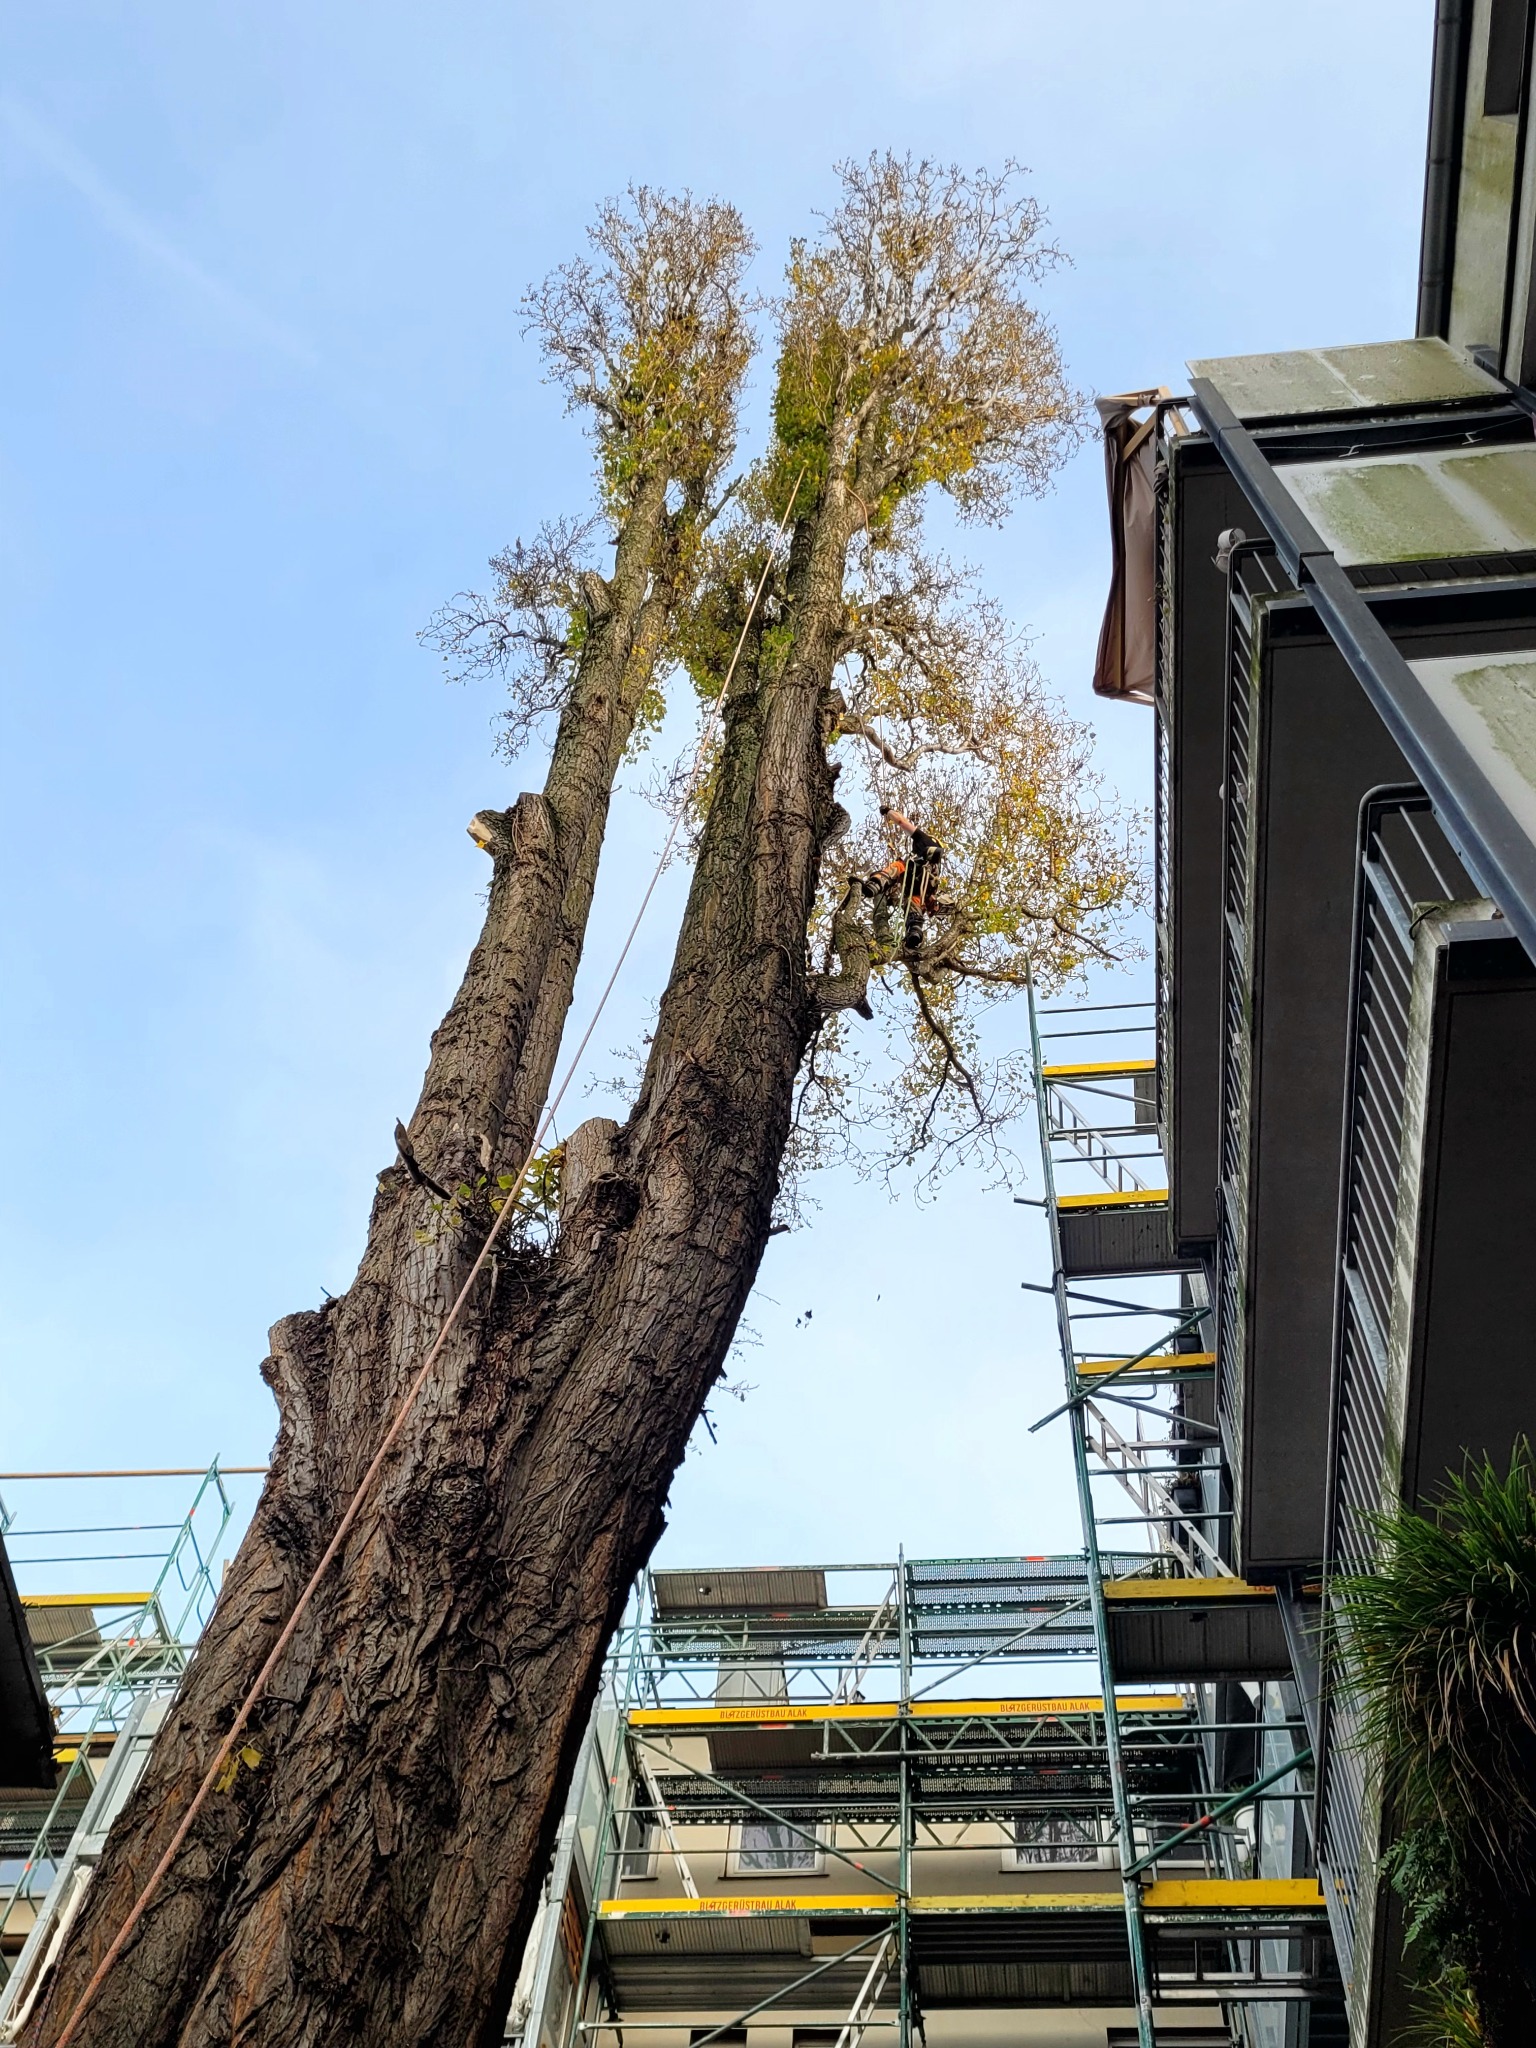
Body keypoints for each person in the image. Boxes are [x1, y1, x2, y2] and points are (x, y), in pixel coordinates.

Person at [866, 806, 946, 948]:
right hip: (924, 886)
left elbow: (902, 822)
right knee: (914, 900)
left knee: (899, 865)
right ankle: (915, 931)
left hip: (915, 869)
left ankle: (878, 882)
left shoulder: (924, 839)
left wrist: (888, 811)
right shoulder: (936, 868)